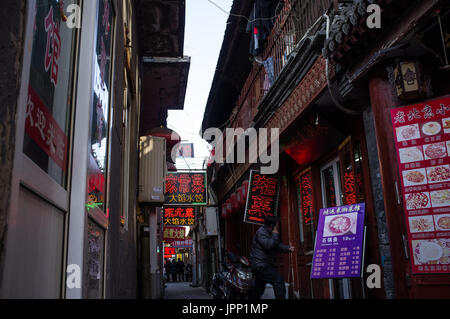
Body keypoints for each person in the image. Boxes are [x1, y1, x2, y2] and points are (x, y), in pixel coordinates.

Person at [249, 215, 294, 299]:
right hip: (260, 265)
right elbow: (269, 245)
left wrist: (287, 248)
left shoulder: (268, 232)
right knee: (278, 280)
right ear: (272, 225)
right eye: (277, 225)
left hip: (260, 265)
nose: (278, 227)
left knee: (258, 289)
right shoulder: (261, 232)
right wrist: (275, 234)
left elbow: (275, 245)